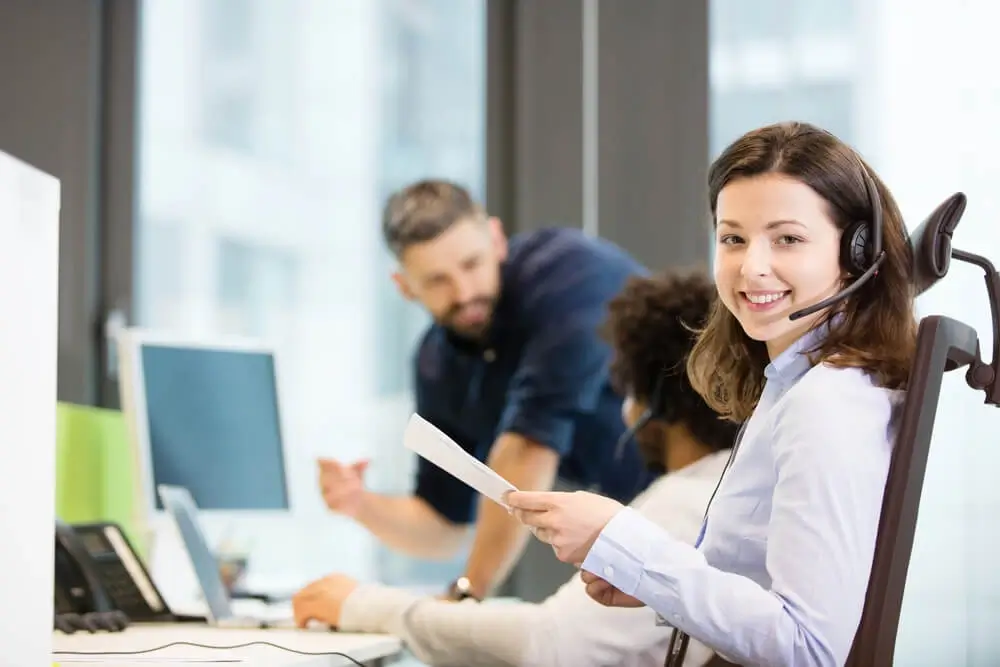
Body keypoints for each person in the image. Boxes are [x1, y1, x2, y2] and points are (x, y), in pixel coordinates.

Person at [506, 121, 918, 666]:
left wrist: (628, 543)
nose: (752, 267)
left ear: (856, 254)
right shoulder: (798, 387)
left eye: (788, 238)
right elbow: (758, 587)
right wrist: (643, 577)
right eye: (733, 238)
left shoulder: (827, 404)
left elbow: (808, 648)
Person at [292, 269, 738, 667]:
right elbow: (445, 528)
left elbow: (548, 645)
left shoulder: (688, 502)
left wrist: (365, 605)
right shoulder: (718, 490)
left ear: (652, 403)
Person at [317, 179, 655, 602]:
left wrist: (469, 592)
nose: (463, 293)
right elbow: (442, 526)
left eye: (472, 264)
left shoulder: (569, 273)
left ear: (496, 240)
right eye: (438, 280)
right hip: (642, 520)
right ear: (404, 286)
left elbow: (529, 448)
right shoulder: (436, 365)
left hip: (718, 482)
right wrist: (360, 505)